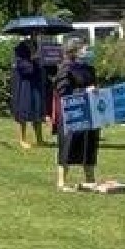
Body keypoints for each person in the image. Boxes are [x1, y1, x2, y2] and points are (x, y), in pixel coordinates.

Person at [53, 37, 100, 192]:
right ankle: (61, 181)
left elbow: (93, 85)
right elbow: (63, 91)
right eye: (85, 49)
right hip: (71, 113)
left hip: (90, 112)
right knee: (68, 144)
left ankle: (90, 179)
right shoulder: (66, 69)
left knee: (89, 144)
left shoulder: (89, 68)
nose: (88, 51)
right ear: (75, 51)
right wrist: (83, 92)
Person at [11, 38, 49, 149]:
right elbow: (25, 69)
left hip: (36, 86)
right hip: (24, 87)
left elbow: (41, 68)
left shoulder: (39, 48)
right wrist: (32, 57)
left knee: (37, 111)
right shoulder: (19, 52)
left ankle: (39, 139)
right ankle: (22, 139)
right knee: (23, 112)